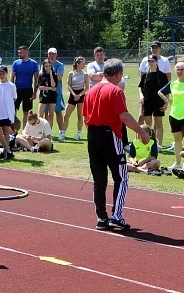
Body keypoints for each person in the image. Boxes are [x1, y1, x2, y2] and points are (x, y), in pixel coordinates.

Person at [82, 58, 150, 232]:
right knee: (121, 177)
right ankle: (117, 216)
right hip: (110, 135)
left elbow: (84, 118)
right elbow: (124, 116)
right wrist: (142, 133)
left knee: (99, 180)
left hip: (92, 135)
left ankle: (101, 217)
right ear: (118, 74)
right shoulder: (115, 91)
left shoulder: (90, 91)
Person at [137, 54, 168, 149]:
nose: (151, 63)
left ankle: (159, 144)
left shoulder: (162, 75)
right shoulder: (145, 75)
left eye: (152, 61)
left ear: (156, 62)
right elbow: (140, 88)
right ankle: (148, 142)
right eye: (149, 61)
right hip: (147, 102)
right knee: (148, 125)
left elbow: (166, 90)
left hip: (159, 102)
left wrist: (166, 102)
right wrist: (141, 96)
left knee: (158, 124)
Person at [0, 65, 17, 161]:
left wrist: (10, 111)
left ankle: (5, 152)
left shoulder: (11, 85)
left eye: (3, 73)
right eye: (0, 73)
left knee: (6, 133)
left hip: (7, 112)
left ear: (6, 73)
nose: (1, 75)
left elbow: (14, 97)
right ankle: (8, 151)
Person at [10, 45, 40, 125]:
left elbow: (36, 79)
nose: (19, 54)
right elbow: (12, 78)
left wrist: (34, 92)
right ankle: (13, 130)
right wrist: (12, 91)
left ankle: (25, 131)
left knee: (27, 112)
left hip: (28, 91)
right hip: (17, 90)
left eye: (21, 52)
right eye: (19, 52)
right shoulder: (16, 63)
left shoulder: (34, 64)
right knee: (13, 110)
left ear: (26, 52)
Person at [45, 48, 69, 140]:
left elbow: (58, 78)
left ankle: (61, 132)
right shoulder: (45, 64)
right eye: (50, 54)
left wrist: (49, 74)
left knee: (58, 111)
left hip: (56, 92)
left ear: (56, 55)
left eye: (53, 54)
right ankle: (47, 132)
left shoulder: (60, 65)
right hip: (46, 92)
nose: (51, 56)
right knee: (46, 113)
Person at [64, 56, 88, 140]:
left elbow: (87, 88)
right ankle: (62, 133)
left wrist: (79, 95)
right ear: (77, 64)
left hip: (81, 95)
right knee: (66, 115)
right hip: (73, 95)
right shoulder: (71, 73)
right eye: (82, 63)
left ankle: (79, 134)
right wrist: (74, 95)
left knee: (80, 116)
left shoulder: (85, 74)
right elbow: (69, 86)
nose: (84, 65)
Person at [36, 59, 59, 126]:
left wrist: (51, 75)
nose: (48, 67)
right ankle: (39, 131)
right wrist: (50, 88)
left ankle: (49, 132)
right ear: (43, 66)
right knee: (40, 115)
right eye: (46, 66)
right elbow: (40, 87)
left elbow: (54, 85)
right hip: (43, 96)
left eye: (49, 66)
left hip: (52, 96)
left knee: (51, 115)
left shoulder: (54, 74)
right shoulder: (41, 75)